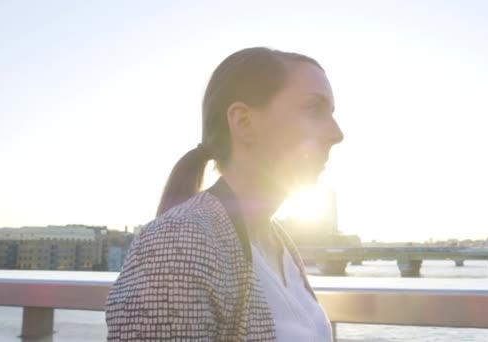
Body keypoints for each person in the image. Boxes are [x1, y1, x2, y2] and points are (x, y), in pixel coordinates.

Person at [105, 47, 344, 341]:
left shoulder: (279, 243)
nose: (336, 133)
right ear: (244, 123)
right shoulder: (178, 241)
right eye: (313, 109)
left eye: (331, 113)